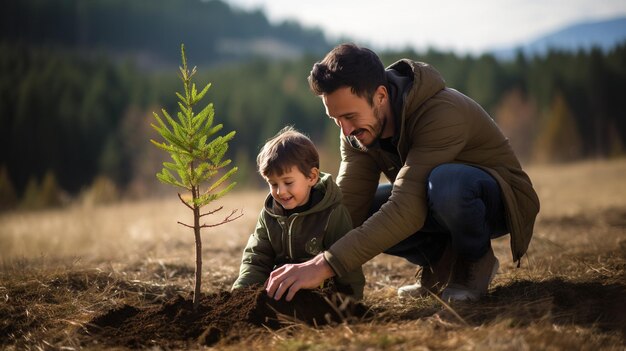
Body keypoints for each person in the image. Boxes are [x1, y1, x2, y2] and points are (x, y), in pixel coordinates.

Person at [265, 43, 540, 302]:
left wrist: (325, 265)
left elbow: (406, 208)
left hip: (497, 199)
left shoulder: (441, 112)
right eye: (336, 119)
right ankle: (441, 263)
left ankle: (474, 261)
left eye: (349, 116)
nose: (345, 130)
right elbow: (348, 206)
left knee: (446, 183)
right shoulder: (357, 132)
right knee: (368, 207)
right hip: (429, 198)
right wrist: (303, 262)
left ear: (381, 96)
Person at [232, 126, 365, 300]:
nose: (280, 192)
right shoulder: (270, 215)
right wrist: (241, 294)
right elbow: (257, 258)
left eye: (288, 182)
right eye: (273, 184)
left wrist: (352, 302)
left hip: (321, 300)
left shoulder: (332, 213)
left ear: (312, 177)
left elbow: (347, 262)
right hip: (281, 295)